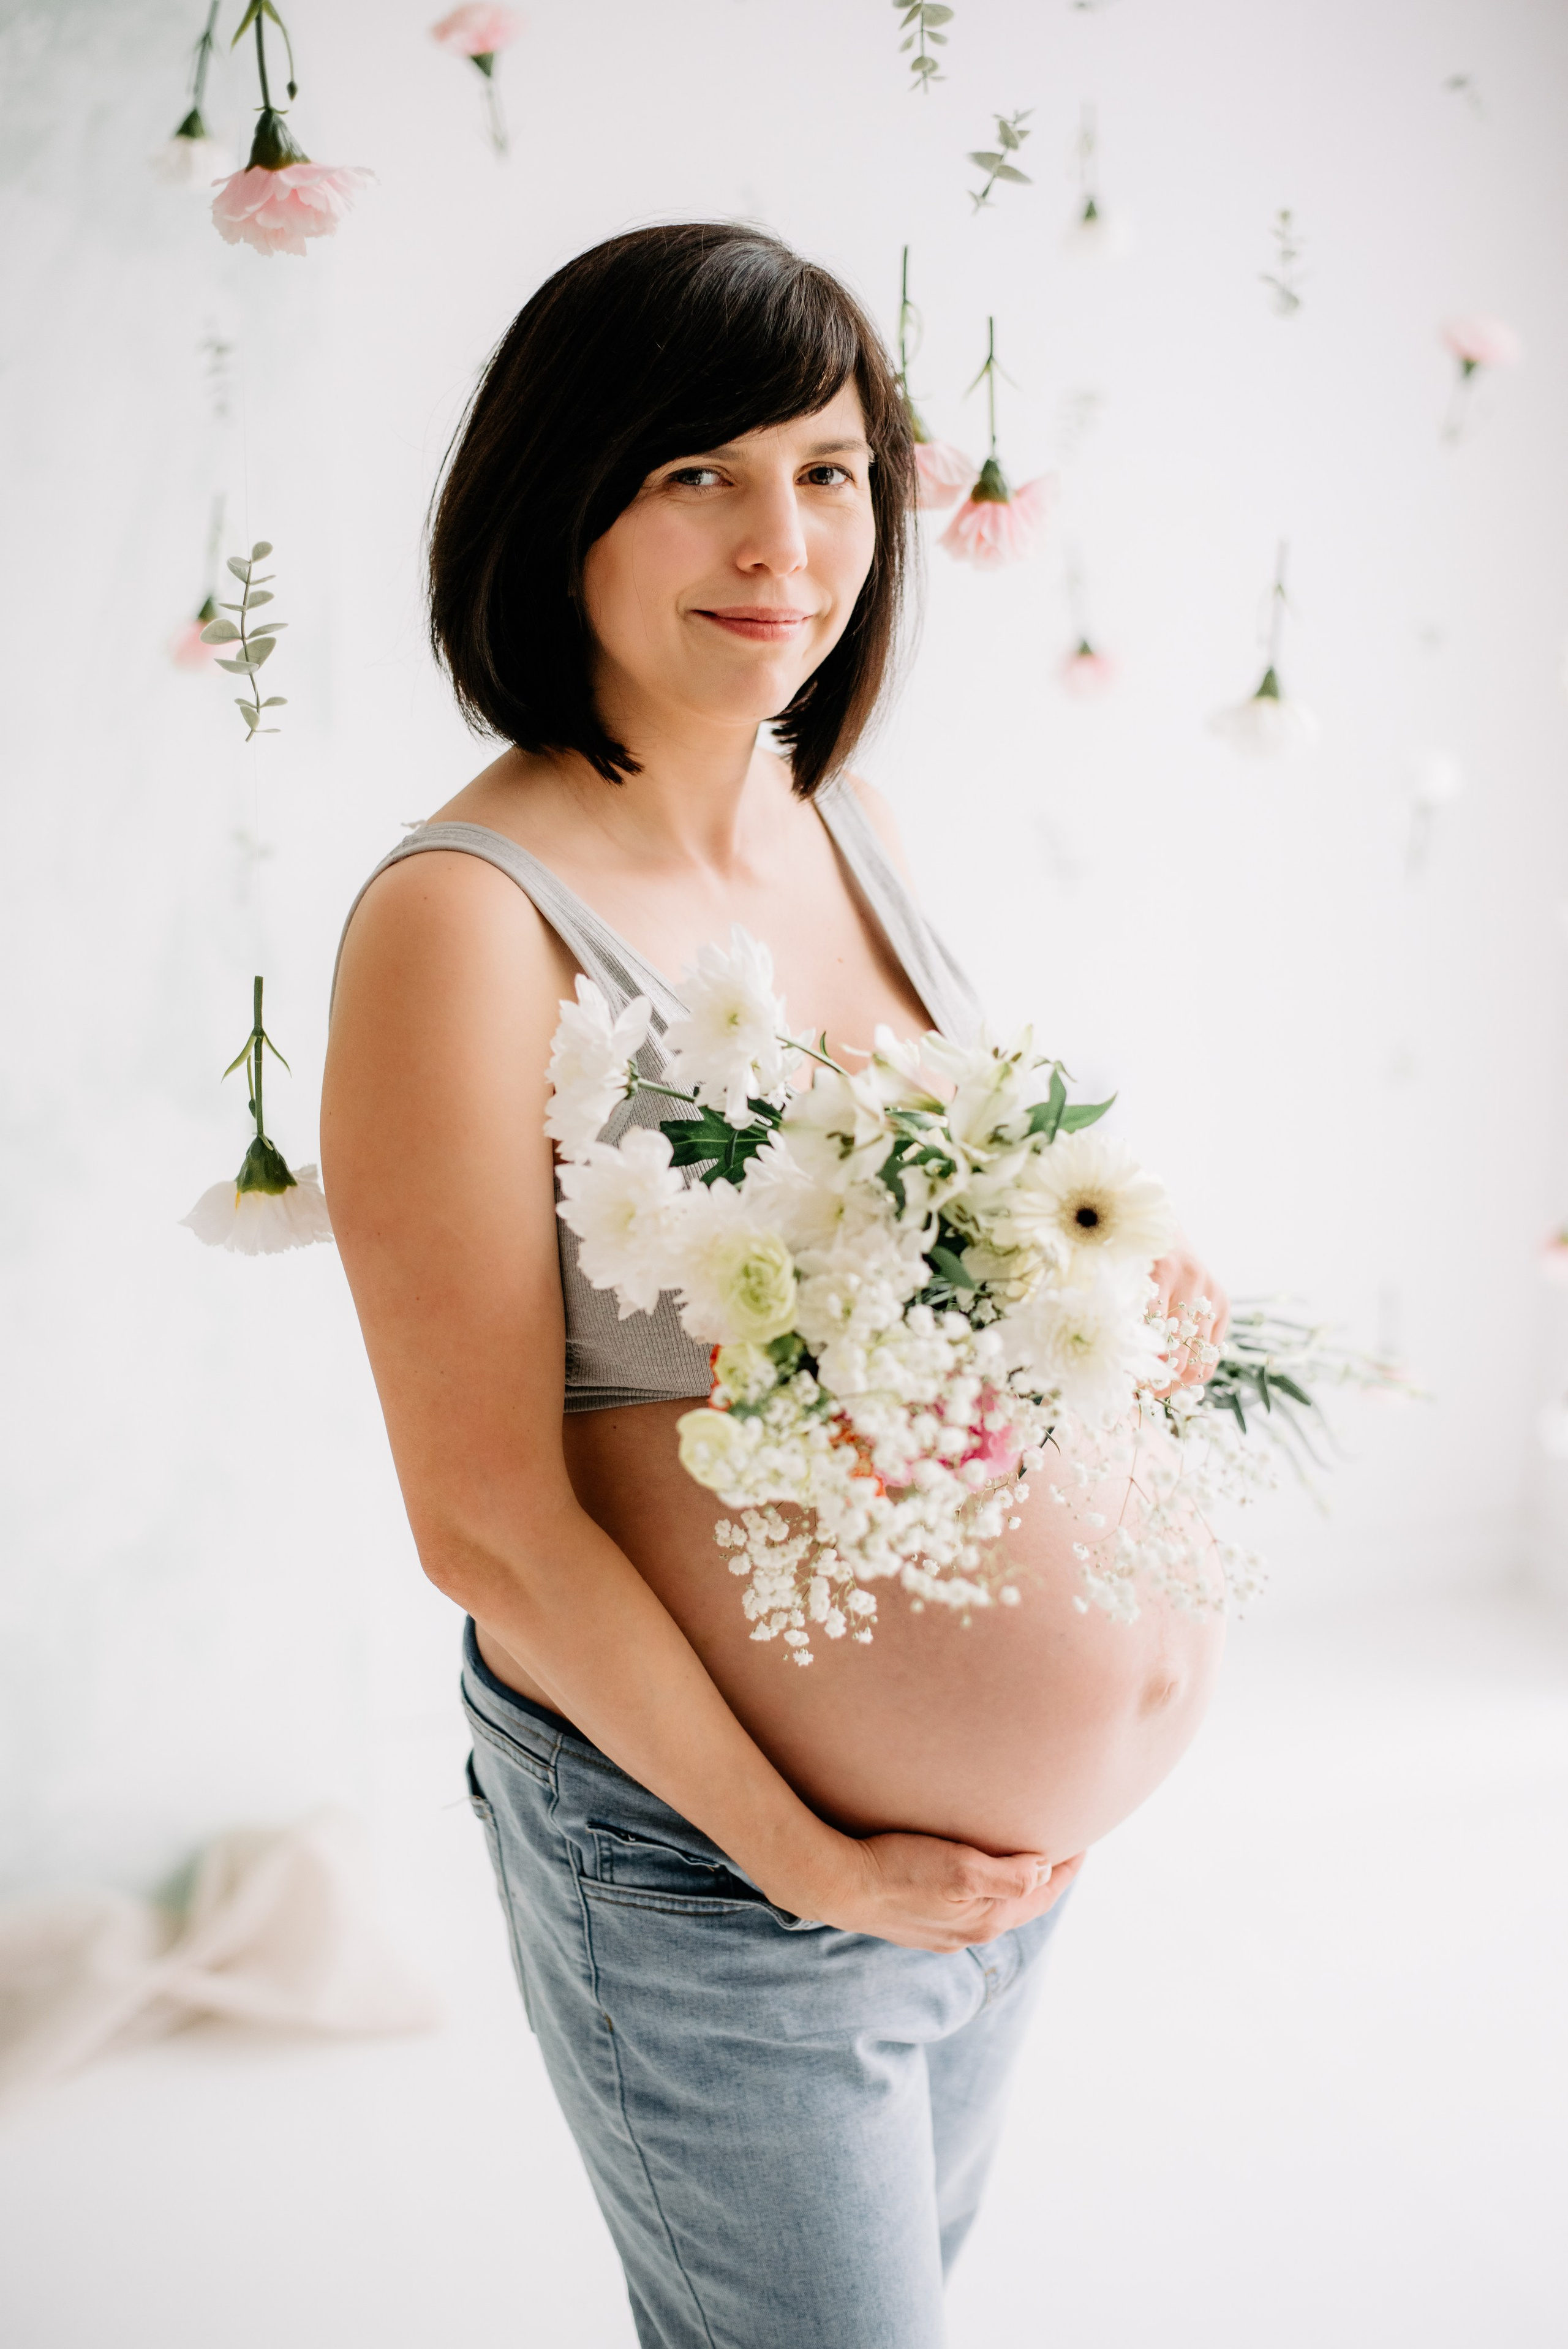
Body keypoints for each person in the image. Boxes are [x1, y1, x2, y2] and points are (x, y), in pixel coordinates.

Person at [323, 222, 1228, 2349]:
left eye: (828, 471)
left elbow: (945, 1236)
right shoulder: (468, 922)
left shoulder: (851, 823)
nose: (783, 540)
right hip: (717, 1875)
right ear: (563, 505)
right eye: (697, 473)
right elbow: (485, 1514)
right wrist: (809, 1860)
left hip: (977, 1886)